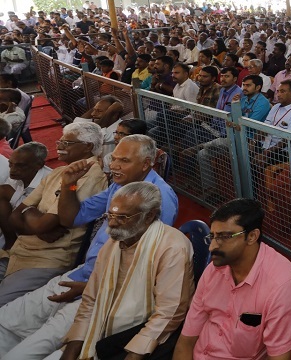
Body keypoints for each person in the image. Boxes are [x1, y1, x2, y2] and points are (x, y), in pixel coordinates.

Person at [0, 134, 178, 360]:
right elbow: (72, 218)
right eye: (113, 159)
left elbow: (144, 268)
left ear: (145, 164)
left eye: (124, 161)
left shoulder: (159, 199)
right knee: (5, 322)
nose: (114, 165)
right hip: (81, 274)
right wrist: (69, 184)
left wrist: (90, 289)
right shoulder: (119, 186)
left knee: (29, 350)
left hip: (105, 292)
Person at [59, 182, 193, 360]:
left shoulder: (172, 247)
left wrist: (134, 354)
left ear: (148, 216)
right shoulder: (113, 243)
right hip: (105, 331)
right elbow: (91, 299)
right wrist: (74, 345)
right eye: (110, 215)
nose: (112, 223)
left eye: (122, 217)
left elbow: (170, 312)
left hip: (146, 335)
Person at [173, 198, 291, 360]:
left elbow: (278, 357)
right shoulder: (213, 270)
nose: (212, 246)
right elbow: (186, 341)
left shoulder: (282, 286)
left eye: (224, 237)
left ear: (252, 237)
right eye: (212, 236)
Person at [0, 123, 108, 306]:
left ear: (88, 146)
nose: (59, 146)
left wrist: (31, 217)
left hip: (46, 259)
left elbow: (46, 224)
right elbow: (14, 217)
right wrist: (34, 220)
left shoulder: (89, 175)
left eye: (67, 143)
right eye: (60, 141)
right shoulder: (58, 172)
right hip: (20, 250)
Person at [0, 143, 53, 251]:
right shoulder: (15, 176)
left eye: (20, 165)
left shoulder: (50, 180)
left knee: (2, 191)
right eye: (10, 164)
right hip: (17, 221)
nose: (12, 170)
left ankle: (11, 243)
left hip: (38, 223)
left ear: (39, 165)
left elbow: (46, 215)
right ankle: (10, 241)